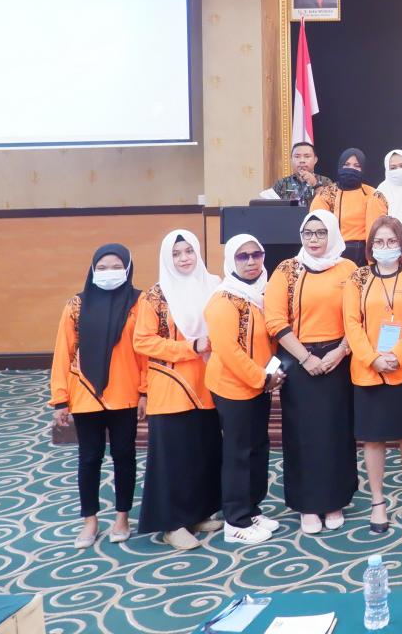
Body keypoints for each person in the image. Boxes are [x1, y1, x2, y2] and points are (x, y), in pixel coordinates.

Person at [263, 210, 358, 534]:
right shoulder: (287, 270)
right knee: (303, 435)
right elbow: (275, 320)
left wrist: (340, 351)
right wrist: (306, 358)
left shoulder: (348, 269)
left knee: (336, 432)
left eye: (320, 233)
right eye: (308, 233)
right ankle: (307, 504)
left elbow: (358, 316)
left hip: (338, 360)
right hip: (299, 360)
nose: (314, 239)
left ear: (332, 234)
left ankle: (334, 500)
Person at [50, 244, 147, 549]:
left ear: (128, 269)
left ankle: (122, 517)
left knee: (124, 455)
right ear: (92, 270)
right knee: (89, 457)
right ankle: (90, 521)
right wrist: (60, 399)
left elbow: (145, 351)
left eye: (116, 267)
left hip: (125, 393)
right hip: (86, 393)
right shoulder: (76, 305)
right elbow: (63, 353)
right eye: (102, 268)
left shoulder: (139, 302)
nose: (109, 273)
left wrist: (145, 391)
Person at [134, 230, 222, 551]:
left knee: (201, 452)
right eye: (176, 253)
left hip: (208, 384)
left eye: (189, 251)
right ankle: (173, 524)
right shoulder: (155, 297)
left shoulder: (213, 286)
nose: (184, 258)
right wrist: (190, 347)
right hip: (171, 385)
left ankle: (196, 514)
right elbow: (143, 341)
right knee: (173, 457)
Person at [344, 216, 402, 534]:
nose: (385, 247)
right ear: (370, 246)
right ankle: (378, 501)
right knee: (373, 438)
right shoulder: (357, 279)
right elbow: (351, 324)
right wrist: (373, 358)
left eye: (391, 241)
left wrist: (398, 356)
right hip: (369, 371)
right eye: (379, 242)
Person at [203, 235, 284, 545]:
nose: (251, 261)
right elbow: (228, 351)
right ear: (231, 261)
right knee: (238, 453)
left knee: (257, 448)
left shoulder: (262, 293)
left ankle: (251, 508)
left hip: (259, 385)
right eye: (242, 256)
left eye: (256, 254)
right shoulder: (223, 299)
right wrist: (262, 378)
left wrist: (271, 375)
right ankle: (235, 521)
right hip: (233, 387)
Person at [310, 148, 388, 266]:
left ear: (363, 169)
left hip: (364, 256)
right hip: (332, 256)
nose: (351, 169)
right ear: (340, 166)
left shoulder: (373, 195)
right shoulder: (326, 194)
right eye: (346, 165)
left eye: (356, 166)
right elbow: (315, 228)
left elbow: (377, 232)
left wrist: (373, 264)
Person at [263, 141, 331, 205]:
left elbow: (331, 204)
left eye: (307, 156)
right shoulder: (282, 184)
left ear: (315, 160)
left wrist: (315, 184)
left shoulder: (325, 181)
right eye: (297, 157)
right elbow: (272, 208)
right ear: (291, 160)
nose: (302, 160)